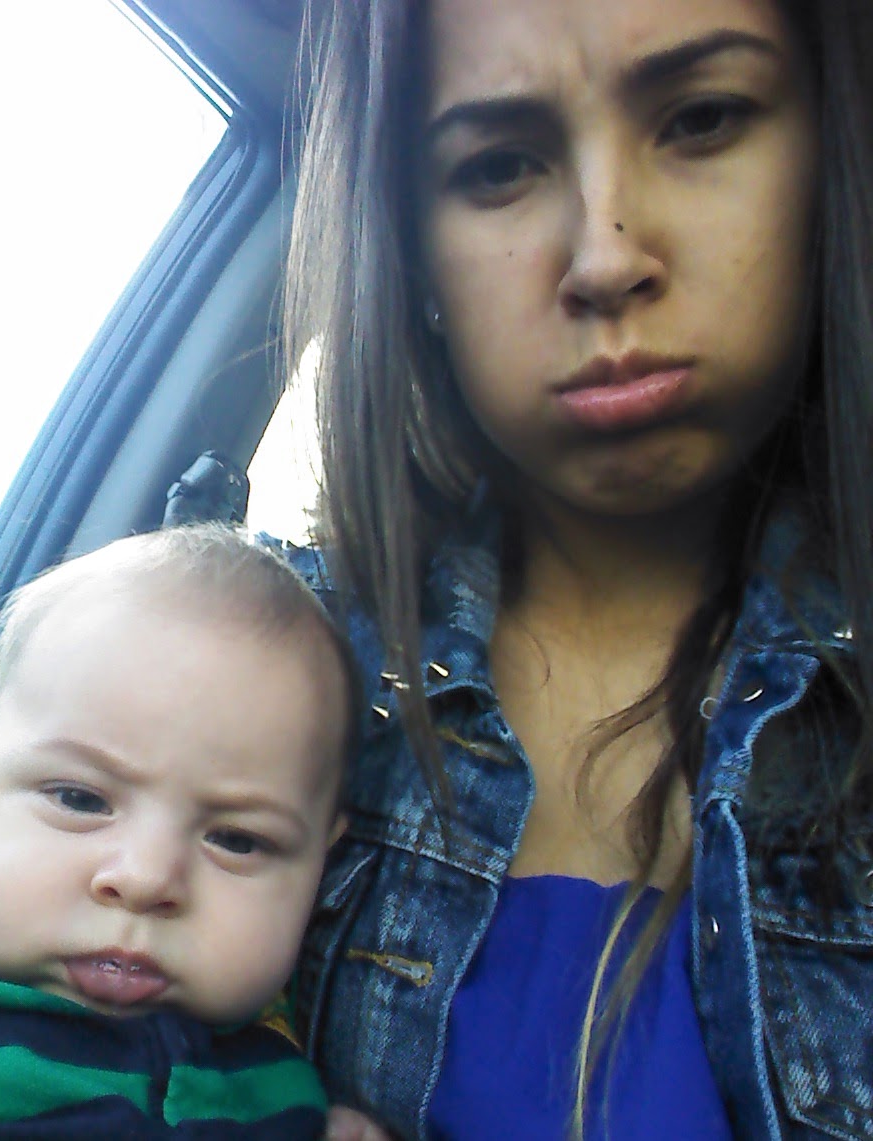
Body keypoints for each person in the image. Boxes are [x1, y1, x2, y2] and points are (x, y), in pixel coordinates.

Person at [282, 1, 873, 1139]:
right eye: (497, 166)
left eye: (703, 119)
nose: (603, 259)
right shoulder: (268, 676)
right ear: (413, 249)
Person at [0, 523, 354, 1138]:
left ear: (319, 868)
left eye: (236, 841)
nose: (145, 880)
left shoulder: (287, 1075)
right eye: (79, 799)